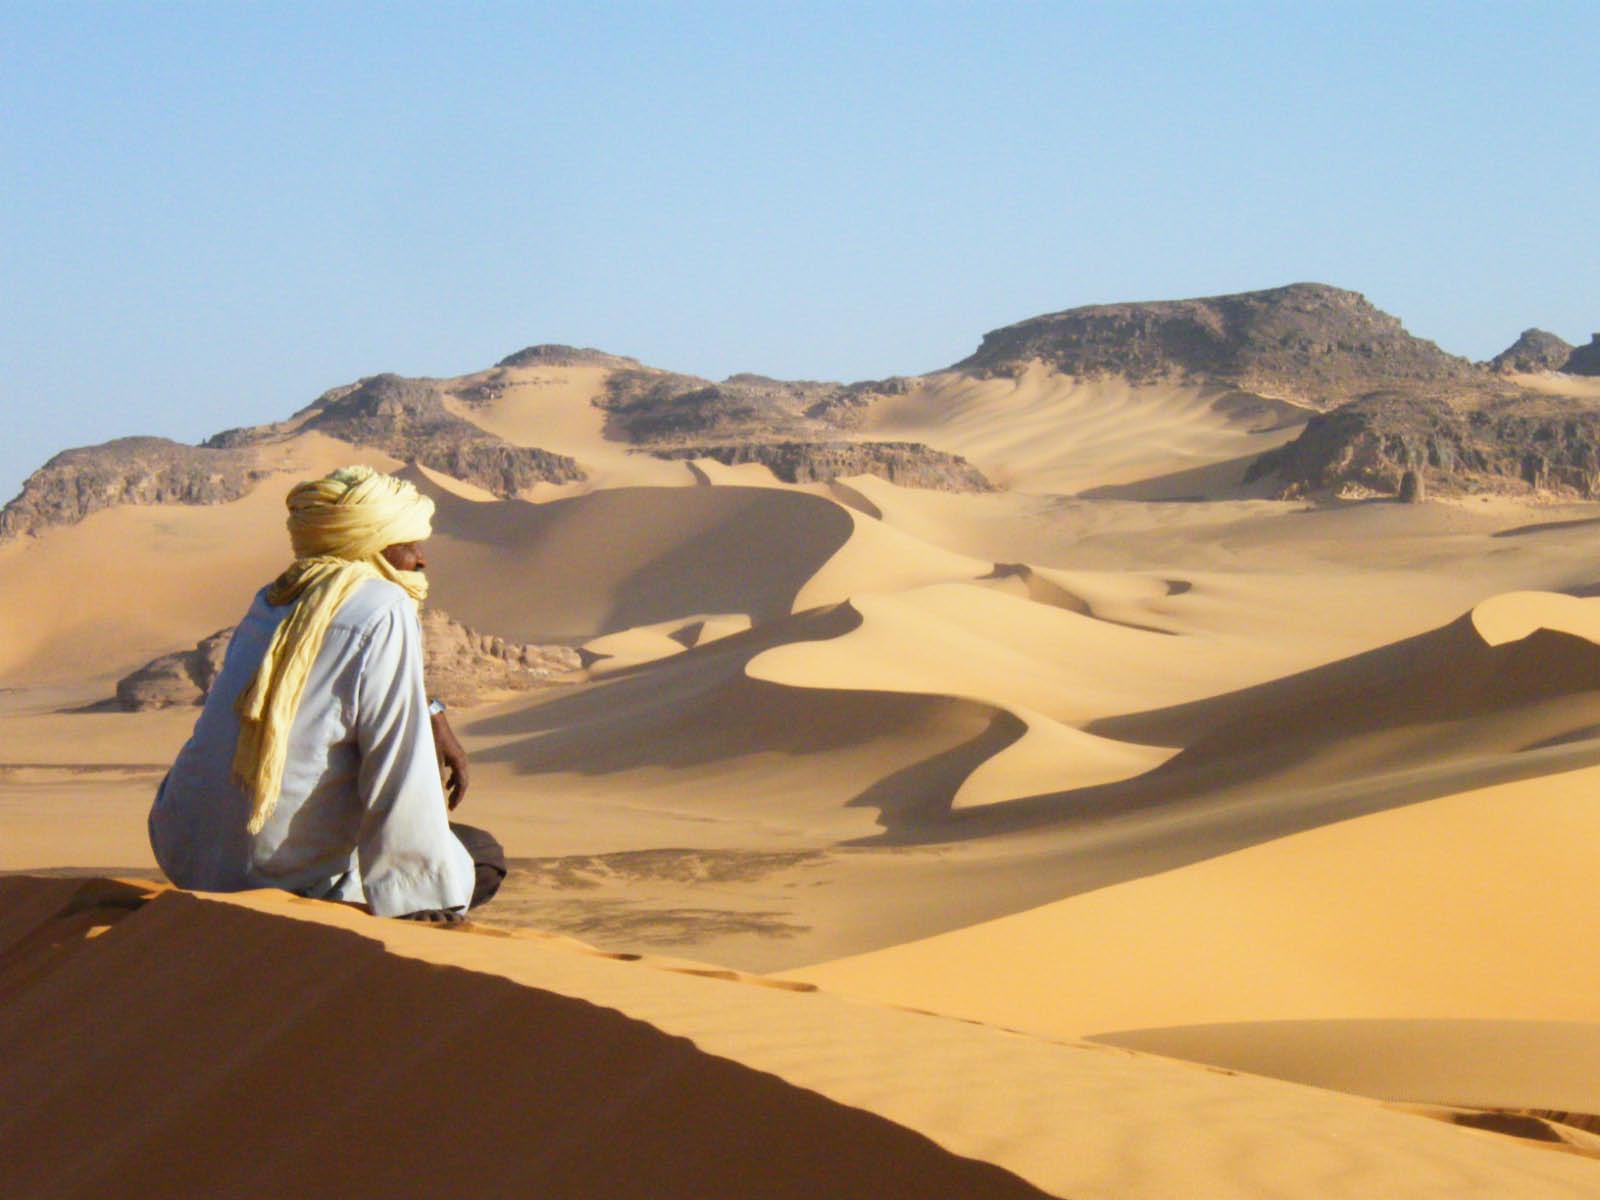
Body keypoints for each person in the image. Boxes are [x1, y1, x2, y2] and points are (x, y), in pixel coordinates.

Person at [149, 464, 505, 922]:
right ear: (368, 545)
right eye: (408, 544)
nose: (421, 560)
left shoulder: (277, 598)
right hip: (272, 872)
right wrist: (417, 899)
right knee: (480, 855)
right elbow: (398, 762)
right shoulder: (385, 605)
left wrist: (430, 708)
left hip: (186, 852)